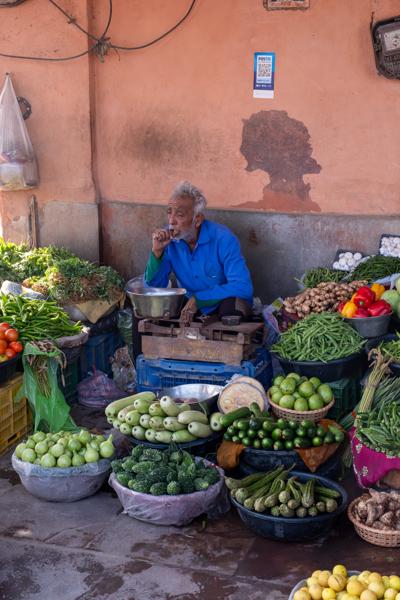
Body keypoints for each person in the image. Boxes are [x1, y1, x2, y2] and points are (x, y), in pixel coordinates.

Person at [144, 181, 253, 325]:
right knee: (146, 313)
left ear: (197, 220)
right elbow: (154, 287)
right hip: (190, 303)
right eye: (169, 212)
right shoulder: (169, 240)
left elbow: (243, 287)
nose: (171, 221)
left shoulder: (223, 238)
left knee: (232, 312)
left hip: (220, 301)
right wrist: (157, 253)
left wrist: (200, 299)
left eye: (180, 215)